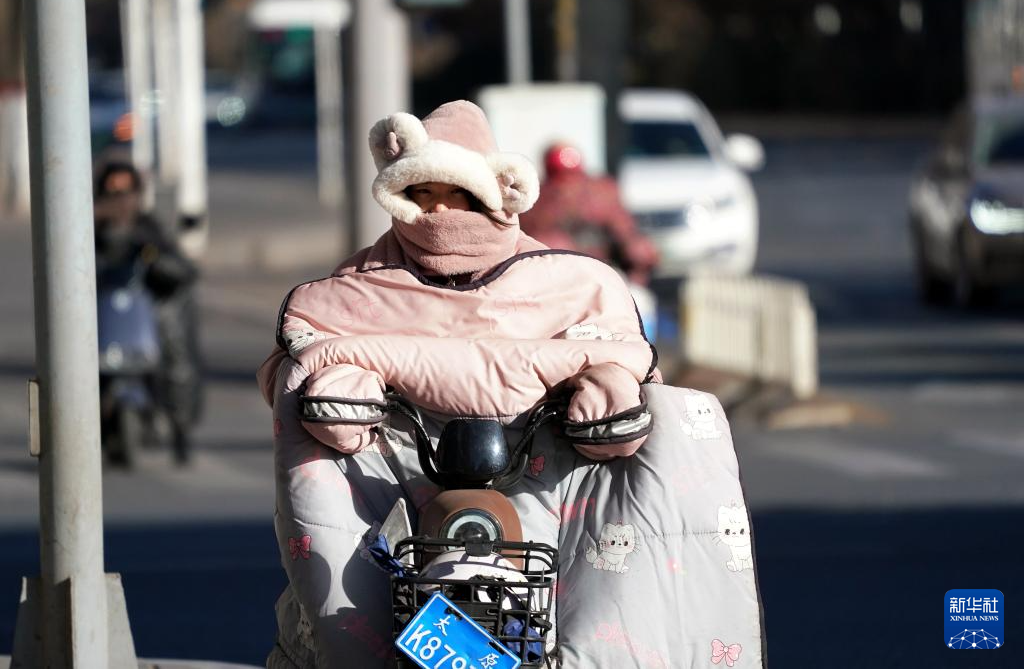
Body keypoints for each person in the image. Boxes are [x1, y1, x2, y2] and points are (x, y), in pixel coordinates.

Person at [257, 101, 763, 668]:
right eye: (422, 194)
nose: (439, 209)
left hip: (539, 476)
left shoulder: (572, 281)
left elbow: (622, 355)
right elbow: (293, 364)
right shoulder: (352, 288)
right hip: (400, 474)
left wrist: (605, 386)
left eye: (456, 194)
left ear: (497, 193)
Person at [94, 161, 202, 464]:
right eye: (112, 192)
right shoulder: (88, 230)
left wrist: (158, 265)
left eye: (126, 191)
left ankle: (179, 425)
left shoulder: (147, 230)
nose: (120, 200)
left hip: (145, 321)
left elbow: (181, 268)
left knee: (177, 358)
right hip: (104, 321)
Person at [520, 142, 659, 286]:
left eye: (573, 176)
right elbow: (527, 241)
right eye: (562, 178)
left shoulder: (602, 191)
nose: (568, 185)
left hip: (607, 265)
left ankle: (633, 292)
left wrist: (633, 246)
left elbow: (625, 228)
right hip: (561, 276)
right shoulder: (535, 199)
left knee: (640, 251)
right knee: (556, 245)